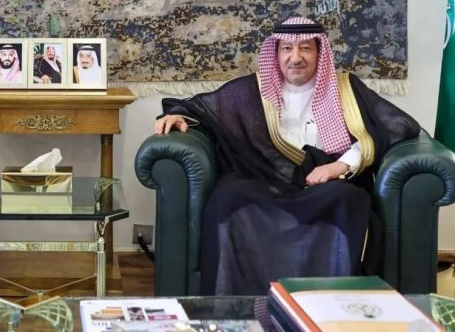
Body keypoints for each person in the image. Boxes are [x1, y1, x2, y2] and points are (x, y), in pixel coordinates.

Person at [154, 16, 420, 295]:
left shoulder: (347, 90)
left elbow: (392, 127)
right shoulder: (252, 91)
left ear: (319, 52)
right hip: (265, 180)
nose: (295, 58)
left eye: (305, 48)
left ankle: (326, 306)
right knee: (228, 197)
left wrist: (339, 166)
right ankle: (238, 306)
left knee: (348, 200)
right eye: (286, 49)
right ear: (275, 53)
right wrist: (178, 116)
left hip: (324, 186)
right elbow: (204, 108)